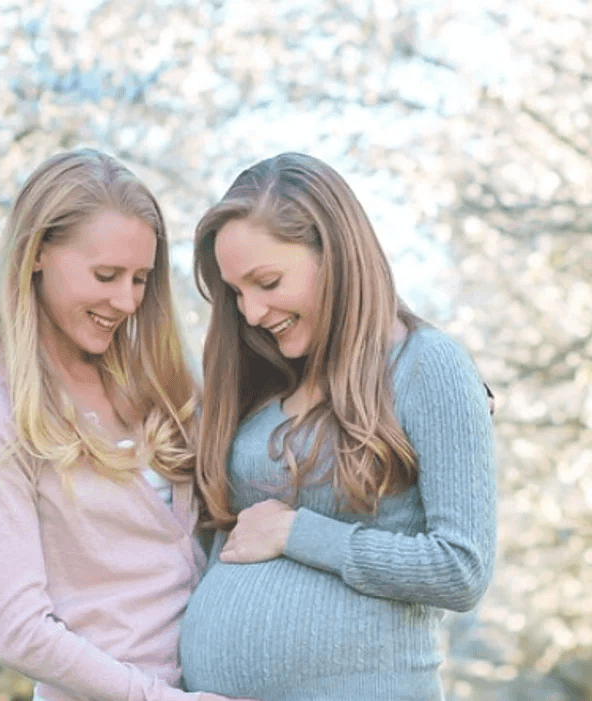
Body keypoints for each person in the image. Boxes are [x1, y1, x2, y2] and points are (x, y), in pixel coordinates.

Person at [179, 153, 497, 701]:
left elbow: (461, 568)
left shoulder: (427, 366)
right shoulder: (261, 385)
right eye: (236, 292)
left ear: (335, 253)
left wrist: (296, 533)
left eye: (268, 281)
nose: (251, 312)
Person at [0, 149, 244, 701]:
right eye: (105, 275)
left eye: (140, 279)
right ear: (36, 254)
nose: (126, 301)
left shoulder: (160, 387)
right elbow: (18, 633)